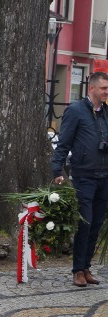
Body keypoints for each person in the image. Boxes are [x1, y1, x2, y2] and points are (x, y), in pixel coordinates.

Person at [52, 71, 108, 287]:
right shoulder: (76, 111)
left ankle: (87, 267)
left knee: (96, 225)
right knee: (84, 223)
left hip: (105, 177)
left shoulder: (105, 112)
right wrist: (57, 171)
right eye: (103, 88)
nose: (106, 92)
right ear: (91, 88)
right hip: (85, 177)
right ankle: (77, 270)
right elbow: (63, 143)